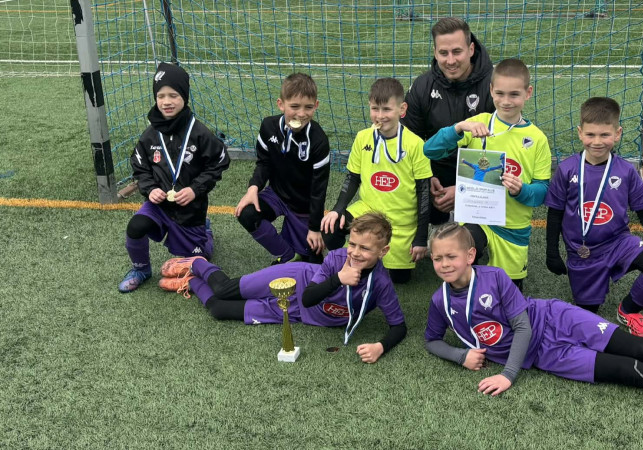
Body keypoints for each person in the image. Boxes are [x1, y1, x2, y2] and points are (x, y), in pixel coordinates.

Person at [424, 223, 643, 419]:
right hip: (547, 356)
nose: (444, 264)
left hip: (556, 319)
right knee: (628, 371)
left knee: (638, 347)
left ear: (470, 255)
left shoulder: (495, 277)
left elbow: (523, 326)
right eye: (437, 258)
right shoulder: (440, 301)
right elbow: (431, 340)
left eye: (451, 256)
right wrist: (460, 355)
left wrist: (508, 374)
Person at [161, 213, 407, 363]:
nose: (355, 252)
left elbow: (399, 326)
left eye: (365, 248)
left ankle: (191, 282)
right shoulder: (336, 259)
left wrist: (380, 347)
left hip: (296, 313)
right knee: (224, 290)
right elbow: (309, 297)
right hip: (295, 279)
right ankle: (198, 264)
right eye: (352, 244)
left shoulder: (381, 283)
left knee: (218, 309)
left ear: (383, 251)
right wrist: (339, 279)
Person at [543, 97, 643, 337]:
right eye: (590, 134)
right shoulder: (567, 169)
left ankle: (629, 310)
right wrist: (552, 251)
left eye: (604, 135)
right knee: (588, 314)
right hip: (583, 252)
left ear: (617, 133)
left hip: (618, 242)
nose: (597, 142)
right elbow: (555, 212)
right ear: (580, 133)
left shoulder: (626, 170)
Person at [423, 58, 551, 290]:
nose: (506, 101)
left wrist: (522, 190)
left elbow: (542, 191)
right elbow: (430, 150)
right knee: (460, 265)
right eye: (500, 93)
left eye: (514, 94)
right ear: (491, 90)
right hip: (476, 218)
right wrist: (458, 128)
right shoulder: (478, 124)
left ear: (528, 93)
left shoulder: (537, 139)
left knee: (509, 290)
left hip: (512, 227)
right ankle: (460, 304)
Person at [119, 62, 230, 293]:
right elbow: (140, 166)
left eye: (173, 95)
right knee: (136, 226)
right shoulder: (150, 135)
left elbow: (219, 161)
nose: (166, 101)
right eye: (161, 96)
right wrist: (150, 189)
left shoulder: (199, 133)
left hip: (190, 208)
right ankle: (141, 269)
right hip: (159, 206)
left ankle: (206, 235)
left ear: (184, 97)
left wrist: (195, 189)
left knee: (199, 261)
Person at [321, 78, 432, 284]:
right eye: (375, 109)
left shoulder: (416, 144)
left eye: (387, 109)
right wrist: (338, 209)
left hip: (401, 220)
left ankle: (382, 256)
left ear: (402, 109)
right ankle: (346, 261)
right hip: (368, 211)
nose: (380, 116)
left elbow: (424, 192)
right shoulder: (362, 137)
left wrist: (420, 237)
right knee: (331, 226)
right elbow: (352, 177)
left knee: (399, 279)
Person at [402, 17, 495, 224]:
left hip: (479, 171)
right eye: (443, 53)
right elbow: (408, 142)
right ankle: (434, 224)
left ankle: (478, 228)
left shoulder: (494, 86)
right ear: (435, 52)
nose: (450, 61)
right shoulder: (422, 86)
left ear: (471, 49)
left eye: (457, 51)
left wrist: (465, 189)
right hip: (435, 172)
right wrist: (427, 178)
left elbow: (503, 148)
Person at [234, 73, 330, 265]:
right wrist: (253, 188)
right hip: (276, 195)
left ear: (316, 106)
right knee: (247, 213)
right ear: (281, 104)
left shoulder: (319, 141)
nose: (301, 114)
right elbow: (264, 163)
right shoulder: (268, 127)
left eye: (308, 107)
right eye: (294, 106)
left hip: (303, 207)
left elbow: (318, 191)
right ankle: (287, 255)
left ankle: (300, 246)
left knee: (313, 263)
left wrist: (314, 228)